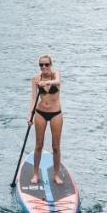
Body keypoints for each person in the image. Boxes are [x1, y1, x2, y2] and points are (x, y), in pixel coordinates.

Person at [28, 53, 63, 185]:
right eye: (41, 65)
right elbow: (33, 98)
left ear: (51, 65)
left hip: (56, 114)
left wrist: (46, 82)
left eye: (46, 64)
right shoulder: (36, 79)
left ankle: (56, 175)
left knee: (55, 147)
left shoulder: (56, 75)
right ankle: (35, 174)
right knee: (38, 145)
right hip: (40, 113)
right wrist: (30, 115)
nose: (44, 67)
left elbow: (57, 82)